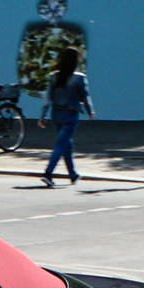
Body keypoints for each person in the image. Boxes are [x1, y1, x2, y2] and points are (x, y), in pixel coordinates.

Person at [41, 47, 91, 186]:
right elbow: (85, 97)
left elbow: (48, 98)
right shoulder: (79, 78)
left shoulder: (54, 76)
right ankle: (48, 173)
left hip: (56, 115)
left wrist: (42, 115)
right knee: (61, 145)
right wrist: (90, 111)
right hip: (70, 115)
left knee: (67, 144)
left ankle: (73, 174)